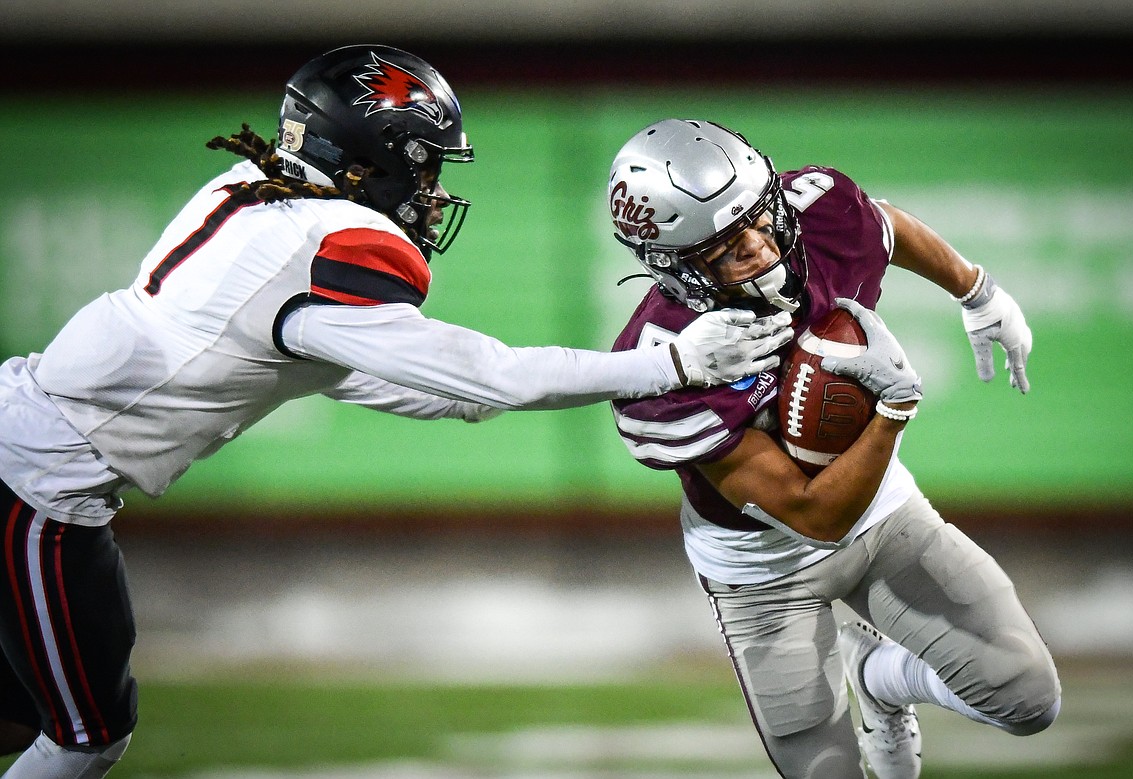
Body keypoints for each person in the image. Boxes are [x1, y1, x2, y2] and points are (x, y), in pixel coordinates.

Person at [0, 51, 791, 779]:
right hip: (38, 487)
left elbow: (351, 370)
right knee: (89, 737)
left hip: (20, 443)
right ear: (374, 161)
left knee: (16, 717)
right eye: (425, 167)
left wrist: (477, 401)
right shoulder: (336, 239)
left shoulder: (255, 194)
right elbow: (489, 374)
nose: (435, 191)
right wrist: (670, 363)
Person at [606, 119, 1060, 779]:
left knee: (1028, 695)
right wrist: (893, 410)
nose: (761, 248)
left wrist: (976, 289)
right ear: (673, 266)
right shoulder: (658, 362)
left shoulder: (817, 215)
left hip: (883, 514)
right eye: (727, 246)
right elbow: (814, 515)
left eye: (761, 219)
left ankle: (879, 678)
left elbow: (886, 226)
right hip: (761, 567)